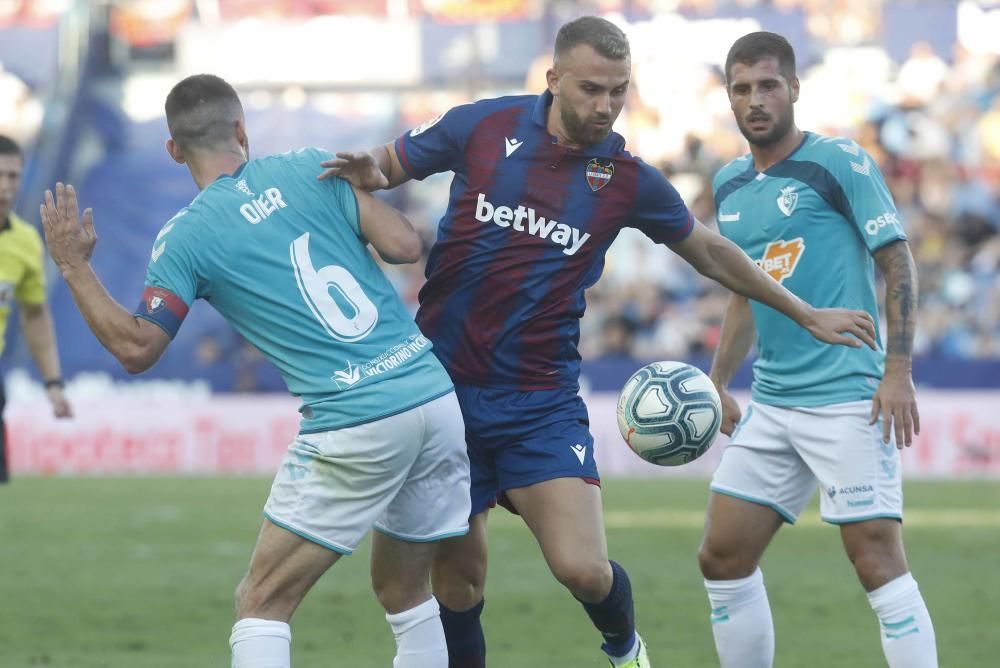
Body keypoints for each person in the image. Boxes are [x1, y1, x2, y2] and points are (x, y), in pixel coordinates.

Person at [321, 17, 876, 668]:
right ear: (554, 80)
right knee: (459, 583)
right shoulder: (482, 126)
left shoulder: (625, 178)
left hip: (539, 402)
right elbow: (389, 165)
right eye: (591, 89)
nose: (606, 106)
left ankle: (624, 645)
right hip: (443, 396)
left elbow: (710, 250)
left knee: (584, 570)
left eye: (619, 91)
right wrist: (374, 169)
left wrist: (804, 312)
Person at [39, 74, 471, 668]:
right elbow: (402, 245)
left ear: (173, 150)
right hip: (431, 397)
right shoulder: (309, 167)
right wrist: (355, 192)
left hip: (356, 418)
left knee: (261, 602)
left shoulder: (186, 237)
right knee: (406, 593)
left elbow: (138, 349)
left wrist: (74, 267)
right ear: (242, 130)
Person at [697, 32, 938, 668]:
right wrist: (719, 380)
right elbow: (745, 292)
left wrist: (898, 371)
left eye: (768, 85)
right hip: (772, 404)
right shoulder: (728, 184)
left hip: (847, 397)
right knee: (721, 557)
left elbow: (899, 263)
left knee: (877, 563)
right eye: (743, 88)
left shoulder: (840, 162)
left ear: (794, 89)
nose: (756, 100)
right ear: (729, 97)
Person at [0, 134, 71, 483]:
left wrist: (53, 382)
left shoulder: (26, 241)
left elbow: (34, 313)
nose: (4, 186)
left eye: (12, 176)